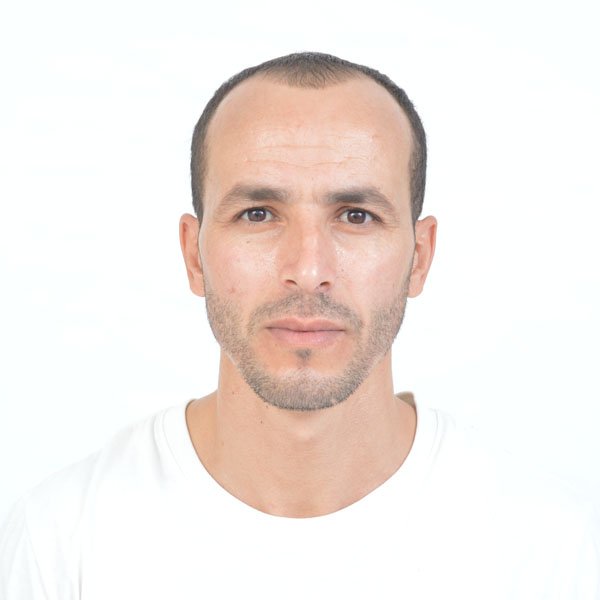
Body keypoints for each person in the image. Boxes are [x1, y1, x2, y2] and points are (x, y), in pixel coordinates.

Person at [0, 51, 598, 599]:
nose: (309, 271)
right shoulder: (61, 544)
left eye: (356, 216)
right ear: (193, 255)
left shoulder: (550, 554)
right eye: (258, 214)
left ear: (419, 257)